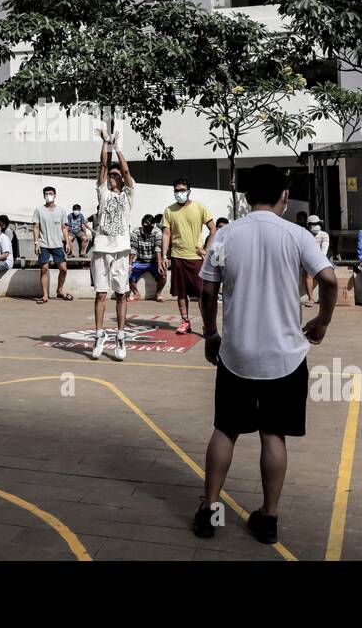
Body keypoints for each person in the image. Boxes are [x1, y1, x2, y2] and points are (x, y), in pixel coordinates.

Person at [193, 164, 337, 544]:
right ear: (284, 198)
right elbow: (330, 279)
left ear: (244, 196)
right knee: (274, 434)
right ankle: (268, 518)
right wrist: (322, 320)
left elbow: (206, 291)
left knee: (225, 429)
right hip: (285, 357)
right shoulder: (297, 235)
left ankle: (209, 511)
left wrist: (210, 334)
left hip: (236, 354)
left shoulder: (226, 235)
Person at [90, 130, 135, 360]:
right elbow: (103, 165)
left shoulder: (128, 196)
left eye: (116, 175)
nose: (112, 177)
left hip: (120, 250)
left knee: (121, 294)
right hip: (101, 249)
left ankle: (120, 335)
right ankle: (99, 335)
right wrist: (106, 144)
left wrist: (118, 147)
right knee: (100, 294)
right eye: (111, 175)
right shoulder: (104, 195)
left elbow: (125, 171)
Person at [162, 177, 215, 335]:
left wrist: (206, 249)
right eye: (176, 191)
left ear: (189, 191)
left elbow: (213, 229)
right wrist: (165, 256)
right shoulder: (169, 210)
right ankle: (185, 322)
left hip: (196, 258)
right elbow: (166, 234)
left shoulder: (200, 208)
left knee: (201, 294)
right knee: (181, 292)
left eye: (182, 190)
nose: (179, 193)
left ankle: (207, 325)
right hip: (177, 257)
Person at [33, 185, 72, 303]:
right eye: (46, 194)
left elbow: (64, 227)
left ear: (55, 195)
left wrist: (68, 242)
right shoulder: (39, 210)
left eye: (51, 193)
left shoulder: (61, 210)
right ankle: (45, 295)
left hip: (58, 244)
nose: (49, 195)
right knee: (44, 269)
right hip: (44, 244)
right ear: (43, 196)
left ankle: (60, 290)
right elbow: (36, 227)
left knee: (63, 269)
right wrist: (36, 242)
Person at [128, 214, 167, 303]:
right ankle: (136, 294)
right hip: (140, 261)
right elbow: (133, 249)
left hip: (153, 262)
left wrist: (160, 265)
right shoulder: (136, 231)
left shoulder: (157, 232)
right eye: (144, 225)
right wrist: (129, 265)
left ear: (153, 225)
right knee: (127, 273)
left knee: (164, 274)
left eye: (148, 225)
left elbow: (158, 249)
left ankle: (158, 294)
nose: (146, 228)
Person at [303, 214, 331, 307]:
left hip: (321, 259)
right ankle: (311, 299)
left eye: (317, 223)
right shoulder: (303, 234)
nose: (316, 225)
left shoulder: (324, 235)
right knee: (308, 273)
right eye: (313, 223)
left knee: (324, 275)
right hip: (307, 258)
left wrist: (317, 262)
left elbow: (324, 251)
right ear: (308, 225)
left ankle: (324, 298)